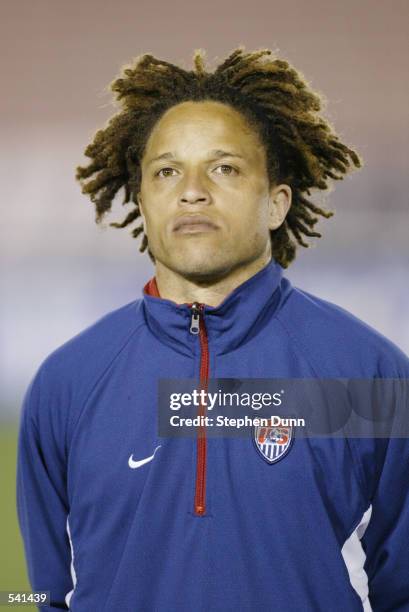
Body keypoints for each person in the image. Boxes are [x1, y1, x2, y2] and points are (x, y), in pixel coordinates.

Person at [17, 47, 409, 611]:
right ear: (144, 200)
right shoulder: (67, 384)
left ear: (276, 203)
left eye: (224, 167)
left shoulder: (367, 376)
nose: (192, 190)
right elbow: (35, 597)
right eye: (167, 171)